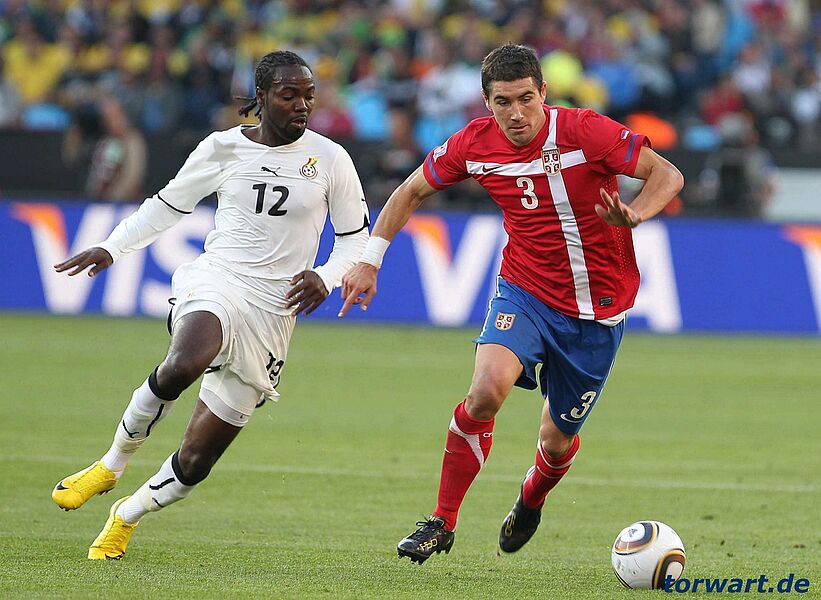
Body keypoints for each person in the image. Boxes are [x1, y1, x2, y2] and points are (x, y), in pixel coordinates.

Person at [339, 44, 683, 564]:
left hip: (597, 311)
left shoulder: (586, 131)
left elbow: (668, 175)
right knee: (485, 391)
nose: (517, 113)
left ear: (544, 92)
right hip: (525, 291)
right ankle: (442, 520)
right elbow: (409, 191)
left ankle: (531, 497)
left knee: (556, 440)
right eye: (503, 102)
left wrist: (635, 213)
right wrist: (370, 260)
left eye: (526, 99)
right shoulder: (473, 144)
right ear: (487, 102)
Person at [51, 50, 370, 560]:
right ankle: (110, 465)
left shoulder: (331, 159)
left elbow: (355, 240)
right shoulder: (222, 148)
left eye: (309, 96)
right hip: (220, 280)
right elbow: (166, 205)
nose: (303, 105)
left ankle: (126, 515)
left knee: (196, 461)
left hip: (274, 310)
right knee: (185, 361)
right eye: (289, 95)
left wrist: (326, 277)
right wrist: (112, 247)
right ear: (261, 97)